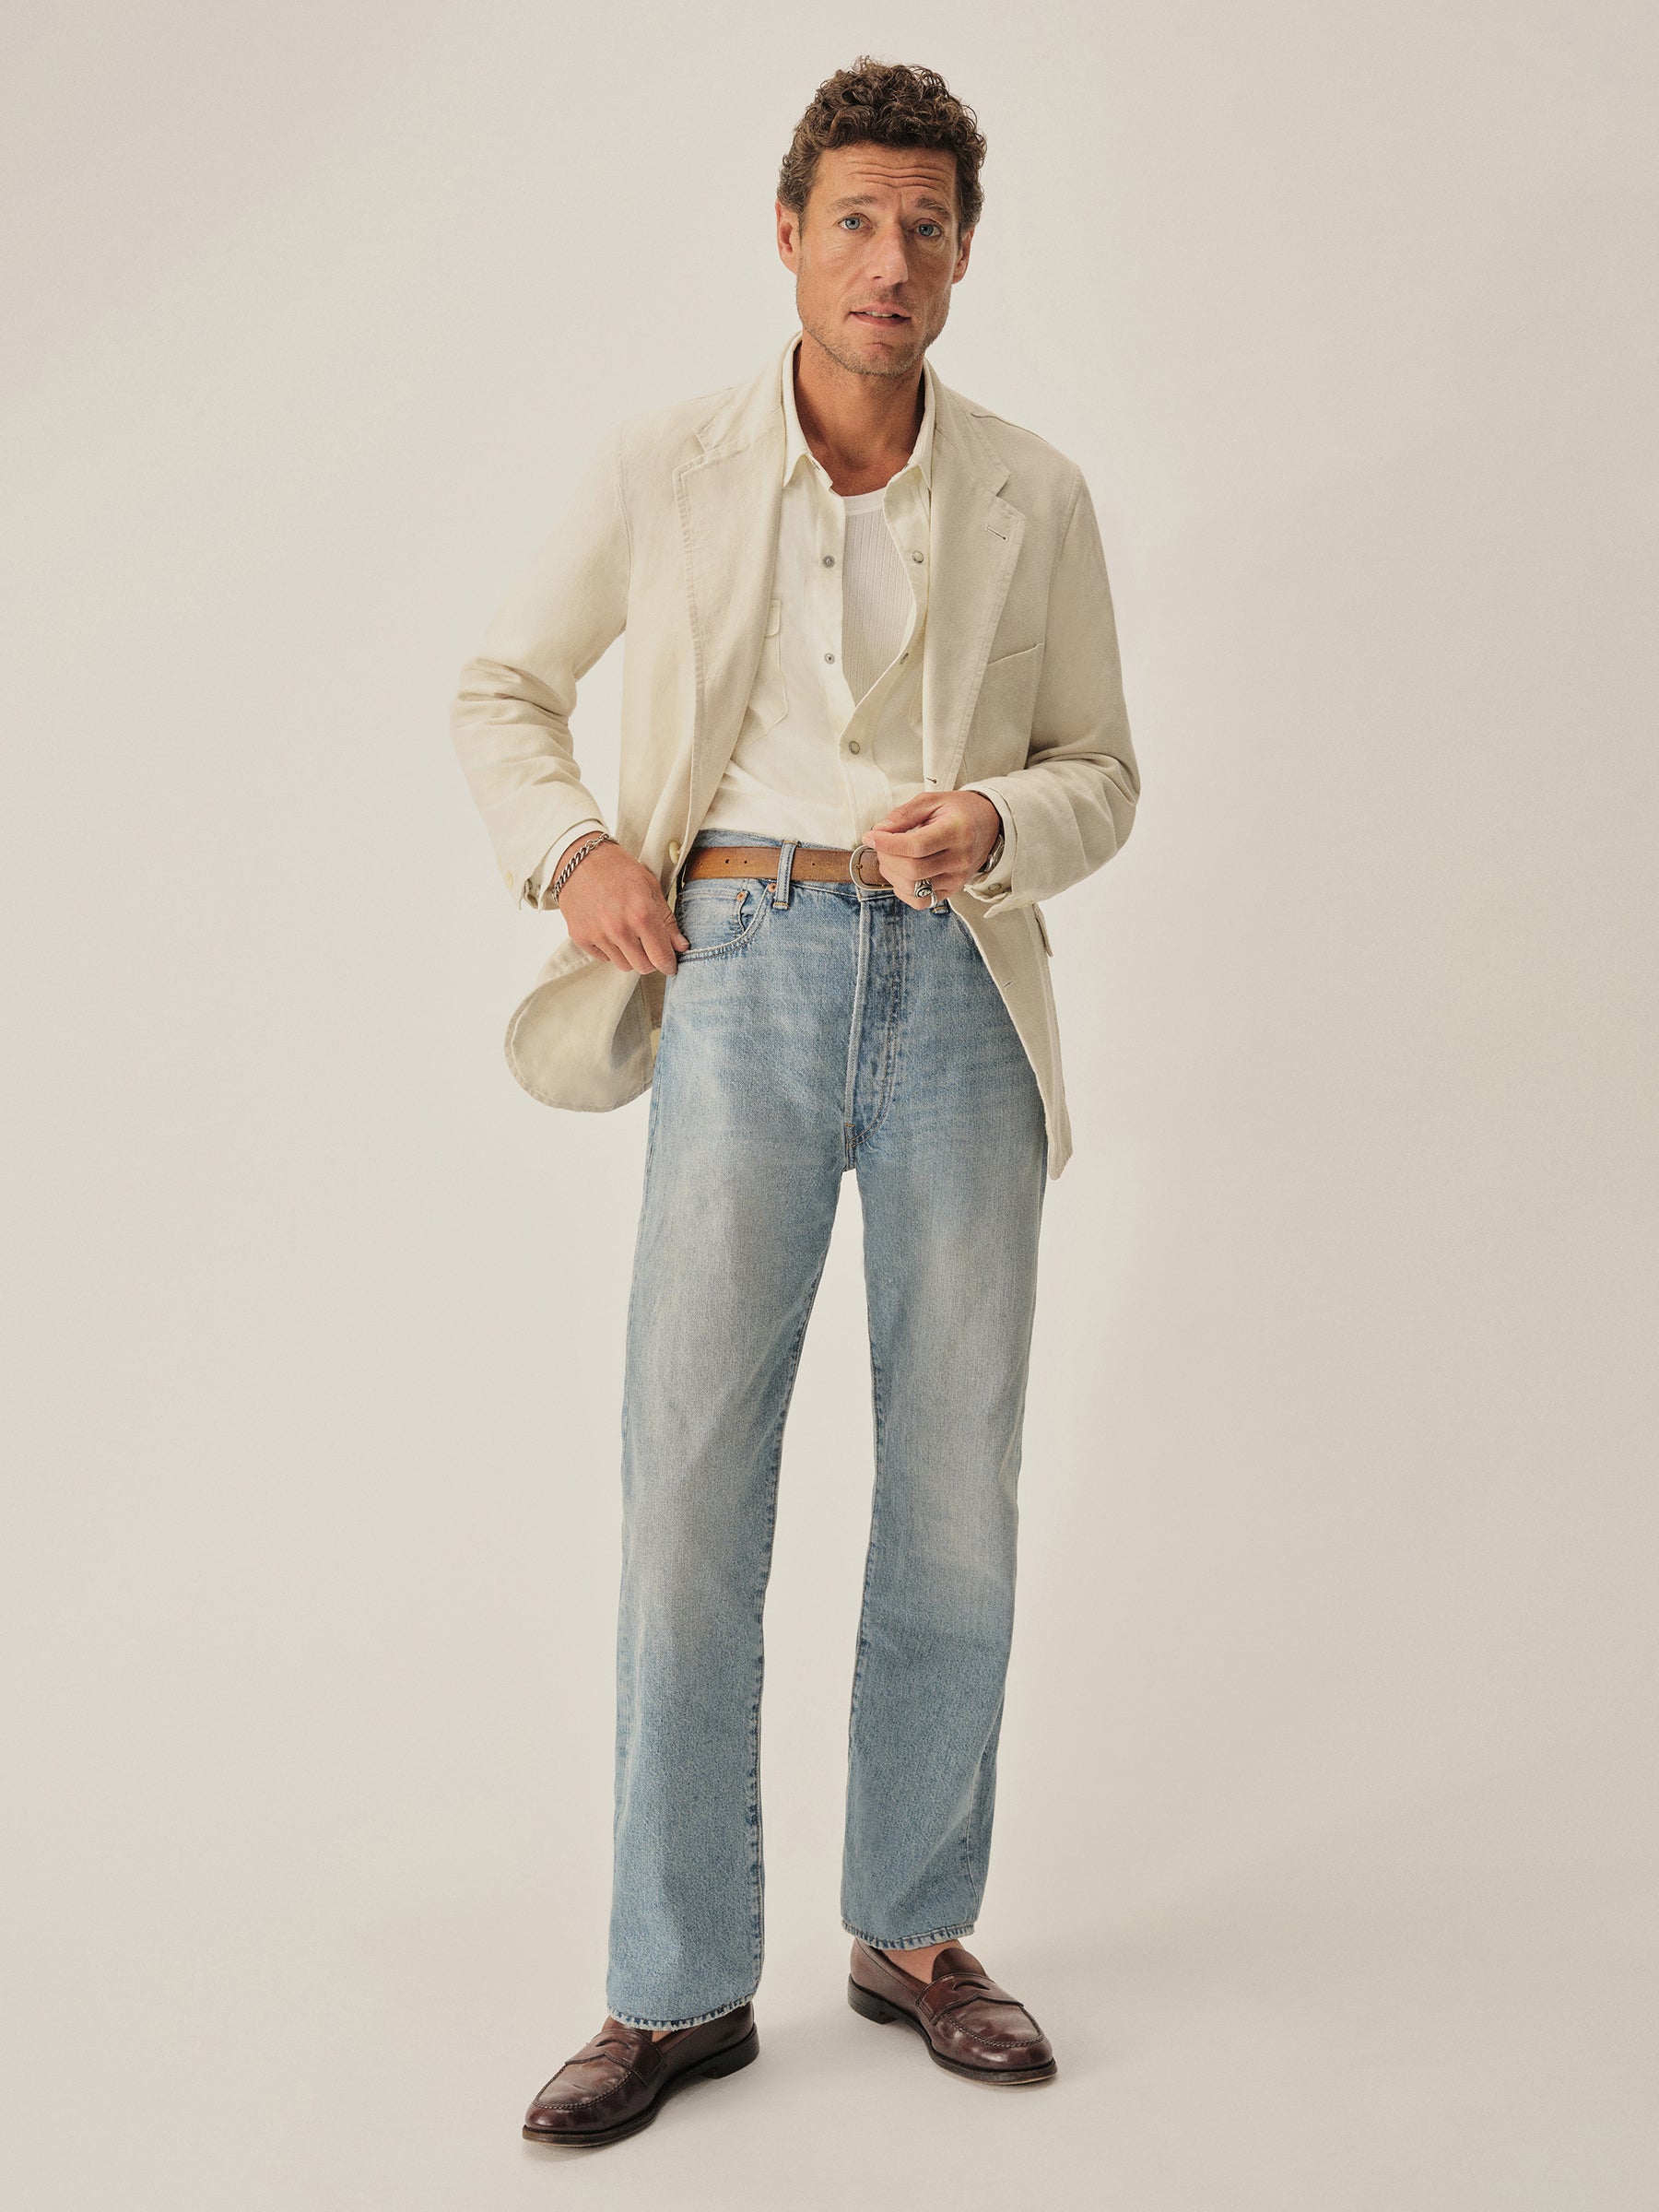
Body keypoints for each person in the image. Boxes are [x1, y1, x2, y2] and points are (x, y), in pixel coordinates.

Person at [450, 56, 1139, 2148]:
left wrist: (998, 819)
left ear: (965, 251)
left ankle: (915, 1932)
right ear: (788, 234)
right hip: (737, 970)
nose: (889, 259)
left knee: (954, 1487)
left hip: (960, 993)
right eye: (855, 219)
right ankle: (672, 1984)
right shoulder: (668, 466)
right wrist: (575, 851)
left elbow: (1105, 771)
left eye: (926, 224)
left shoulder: (1033, 491)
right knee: (690, 1480)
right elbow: (502, 684)